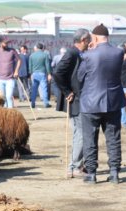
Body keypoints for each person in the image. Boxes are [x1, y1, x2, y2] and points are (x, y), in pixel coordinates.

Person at [77, 23, 126, 184]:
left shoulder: (89, 55)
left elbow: (80, 76)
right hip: (113, 101)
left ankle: (91, 173)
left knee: (90, 138)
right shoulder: (119, 52)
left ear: (95, 37)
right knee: (113, 138)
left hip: (91, 102)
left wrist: (88, 51)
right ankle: (114, 172)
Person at [53, 28, 91, 179]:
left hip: (77, 99)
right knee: (80, 133)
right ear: (83, 40)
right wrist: (67, 91)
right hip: (75, 100)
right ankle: (75, 167)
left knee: (78, 133)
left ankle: (74, 166)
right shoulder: (72, 53)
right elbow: (57, 73)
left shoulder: (78, 53)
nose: (90, 43)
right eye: (88, 40)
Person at [0, 36, 20, 108]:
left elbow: (19, 60)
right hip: (0, 79)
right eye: (5, 43)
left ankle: (10, 113)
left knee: (9, 96)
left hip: (10, 78)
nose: (7, 44)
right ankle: (5, 114)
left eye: (7, 43)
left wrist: (16, 71)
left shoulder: (12, 51)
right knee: (3, 98)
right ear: (1, 43)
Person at [28, 43, 52, 109]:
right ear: (42, 48)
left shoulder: (32, 55)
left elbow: (30, 66)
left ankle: (33, 103)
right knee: (44, 89)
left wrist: (30, 74)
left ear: (37, 48)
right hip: (42, 73)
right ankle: (46, 103)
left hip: (34, 74)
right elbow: (47, 65)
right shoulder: (45, 55)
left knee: (34, 89)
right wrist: (49, 74)